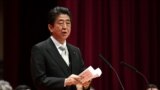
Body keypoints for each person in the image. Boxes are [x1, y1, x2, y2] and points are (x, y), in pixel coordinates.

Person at [30, 6, 91, 90]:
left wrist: (86, 84)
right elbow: (40, 81)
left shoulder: (76, 51)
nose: (65, 27)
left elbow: (81, 78)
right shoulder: (40, 49)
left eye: (68, 23)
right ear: (50, 27)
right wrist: (65, 81)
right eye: (61, 23)